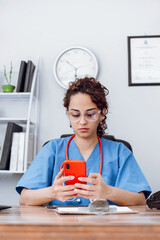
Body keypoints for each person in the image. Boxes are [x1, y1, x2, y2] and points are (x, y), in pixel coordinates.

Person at [16, 77, 151, 206]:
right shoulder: (52, 149)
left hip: (107, 226)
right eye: (75, 114)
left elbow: (140, 200)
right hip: (61, 227)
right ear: (68, 114)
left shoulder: (120, 152)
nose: (82, 121)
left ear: (102, 113)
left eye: (90, 114)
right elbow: (24, 198)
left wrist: (108, 192)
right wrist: (51, 193)